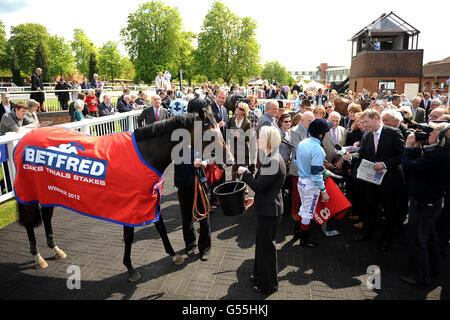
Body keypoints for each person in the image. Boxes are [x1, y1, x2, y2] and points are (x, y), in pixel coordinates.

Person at [400, 122, 450, 287]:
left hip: (423, 202)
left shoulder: (436, 154)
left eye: (433, 133)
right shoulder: (442, 152)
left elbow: (409, 167)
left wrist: (408, 148)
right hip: (435, 201)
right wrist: (420, 147)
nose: (429, 135)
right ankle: (433, 268)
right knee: (431, 237)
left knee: (418, 239)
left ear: (442, 138)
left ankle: (420, 277)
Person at [237, 125, 286, 295]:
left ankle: (269, 285)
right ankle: (260, 277)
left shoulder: (273, 160)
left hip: (270, 210)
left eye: (261, 137)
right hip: (267, 207)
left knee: (267, 249)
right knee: (262, 246)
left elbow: (258, 185)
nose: (258, 140)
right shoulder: (271, 157)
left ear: (270, 140)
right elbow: (266, 187)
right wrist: (255, 199)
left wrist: (245, 173)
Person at [350, 109, 405, 251]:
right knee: (369, 207)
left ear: (376, 119)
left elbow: (401, 155)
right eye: (362, 122)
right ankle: (367, 233)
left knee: (389, 210)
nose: (364, 125)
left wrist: (385, 164)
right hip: (372, 180)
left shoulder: (393, 133)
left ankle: (387, 238)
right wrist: (350, 157)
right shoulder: (367, 136)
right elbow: (362, 153)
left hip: (390, 179)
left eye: (366, 122)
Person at [292, 118, 332, 247]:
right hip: (310, 184)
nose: (328, 133)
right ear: (321, 134)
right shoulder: (318, 149)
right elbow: (316, 175)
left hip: (301, 180)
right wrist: (324, 192)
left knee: (303, 208)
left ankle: (297, 232)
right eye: (326, 131)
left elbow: (295, 161)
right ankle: (304, 240)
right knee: (308, 212)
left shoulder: (303, 142)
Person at [174, 148, 211, 261]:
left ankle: (205, 248)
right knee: (186, 217)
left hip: (199, 183)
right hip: (183, 185)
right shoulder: (176, 143)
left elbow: (212, 155)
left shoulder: (199, 140)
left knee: (204, 216)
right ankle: (190, 245)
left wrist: (205, 162)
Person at [289, 111, 314, 219]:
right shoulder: (294, 131)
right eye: (309, 121)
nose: (312, 123)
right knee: (296, 193)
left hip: (309, 168)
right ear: (302, 121)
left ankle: (305, 212)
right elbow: (298, 149)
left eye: (313, 120)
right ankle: (294, 212)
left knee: (307, 192)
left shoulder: (312, 131)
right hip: (298, 168)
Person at [228, 102, 251, 180]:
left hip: (243, 148)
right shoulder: (231, 119)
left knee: (242, 168)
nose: (237, 109)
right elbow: (228, 132)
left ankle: (245, 186)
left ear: (244, 112)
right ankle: (233, 182)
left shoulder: (247, 123)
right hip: (233, 147)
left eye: (240, 108)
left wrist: (239, 136)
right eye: (237, 107)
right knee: (234, 166)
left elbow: (248, 137)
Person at [278, 113, 293, 215]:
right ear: (280, 123)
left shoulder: (290, 133)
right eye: (285, 121)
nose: (288, 123)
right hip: (279, 163)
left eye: (289, 121)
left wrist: (289, 160)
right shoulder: (277, 133)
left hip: (287, 163)